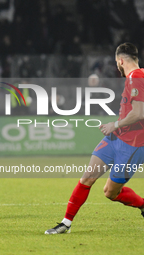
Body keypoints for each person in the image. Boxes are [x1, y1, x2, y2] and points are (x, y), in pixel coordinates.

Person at [45, 42, 144, 234]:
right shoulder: (137, 76)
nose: (117, 66)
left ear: (120, 61)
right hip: (116, 139)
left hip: (133, 146)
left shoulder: (137, 77)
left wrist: (113, 125)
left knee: (110, 192)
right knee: (87, 177)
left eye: (117, 63)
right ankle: (66, 223)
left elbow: (139, 113)